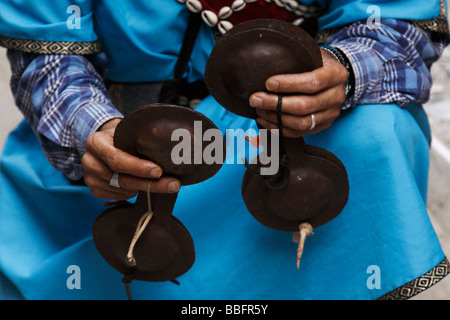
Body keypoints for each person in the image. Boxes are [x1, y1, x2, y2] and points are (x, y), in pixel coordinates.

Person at [0, 0, 449, 300]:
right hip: (131, 153)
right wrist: (92, 134)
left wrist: (344, 73)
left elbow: (395, 24)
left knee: (374, 132)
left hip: (292, 141)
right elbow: (48, 60)